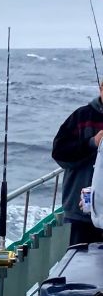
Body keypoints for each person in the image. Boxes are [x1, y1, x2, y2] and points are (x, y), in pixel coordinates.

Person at [52, 81, 103, 247]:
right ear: (101, 89)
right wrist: (92, 143)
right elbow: (60, 153)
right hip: (83, 212)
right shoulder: (81, 117)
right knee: (82, 262)